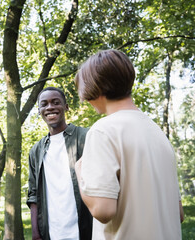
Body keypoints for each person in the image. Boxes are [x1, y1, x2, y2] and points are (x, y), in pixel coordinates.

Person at [74, 49, 184, 240]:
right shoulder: (157, 133)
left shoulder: (103, 131)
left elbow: (102, 210)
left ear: (94, 88)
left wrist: (79, 171)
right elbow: (179, 214)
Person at [27, 87, 93, 240]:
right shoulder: (36, 151)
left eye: (56, 102)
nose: (50, 107)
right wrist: (36, 233)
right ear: (39, 110)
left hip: (85, 229)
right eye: (44, 104)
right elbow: (33, 194)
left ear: (66, 107)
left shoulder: (85, 137)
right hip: (52, 232)